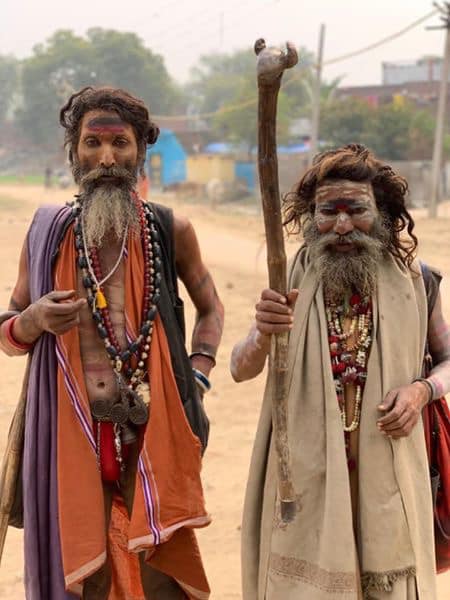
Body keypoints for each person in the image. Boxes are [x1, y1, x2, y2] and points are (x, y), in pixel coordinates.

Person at [0, 86, 224, 599]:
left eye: (120, 144)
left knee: (161, 573)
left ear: (140, 152)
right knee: (85, 573)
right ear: (72, 152)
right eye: (92, 144)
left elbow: (211, 308)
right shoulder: (46, 234)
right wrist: (34, 320)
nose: (106, 158)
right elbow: (9, 330)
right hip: (70, 435)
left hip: (155, 431)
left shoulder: (171, 229)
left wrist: (198, 375)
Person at [231, 144, 450, 599]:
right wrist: (261, 333)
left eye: (357, 211)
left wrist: (420, 391)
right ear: (311, 216)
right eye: (329, 212)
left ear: (384, 213)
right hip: (306, 486)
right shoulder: (287, 280)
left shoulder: (419, 283)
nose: (343, 226)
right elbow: (239, 368)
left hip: (389, 486)